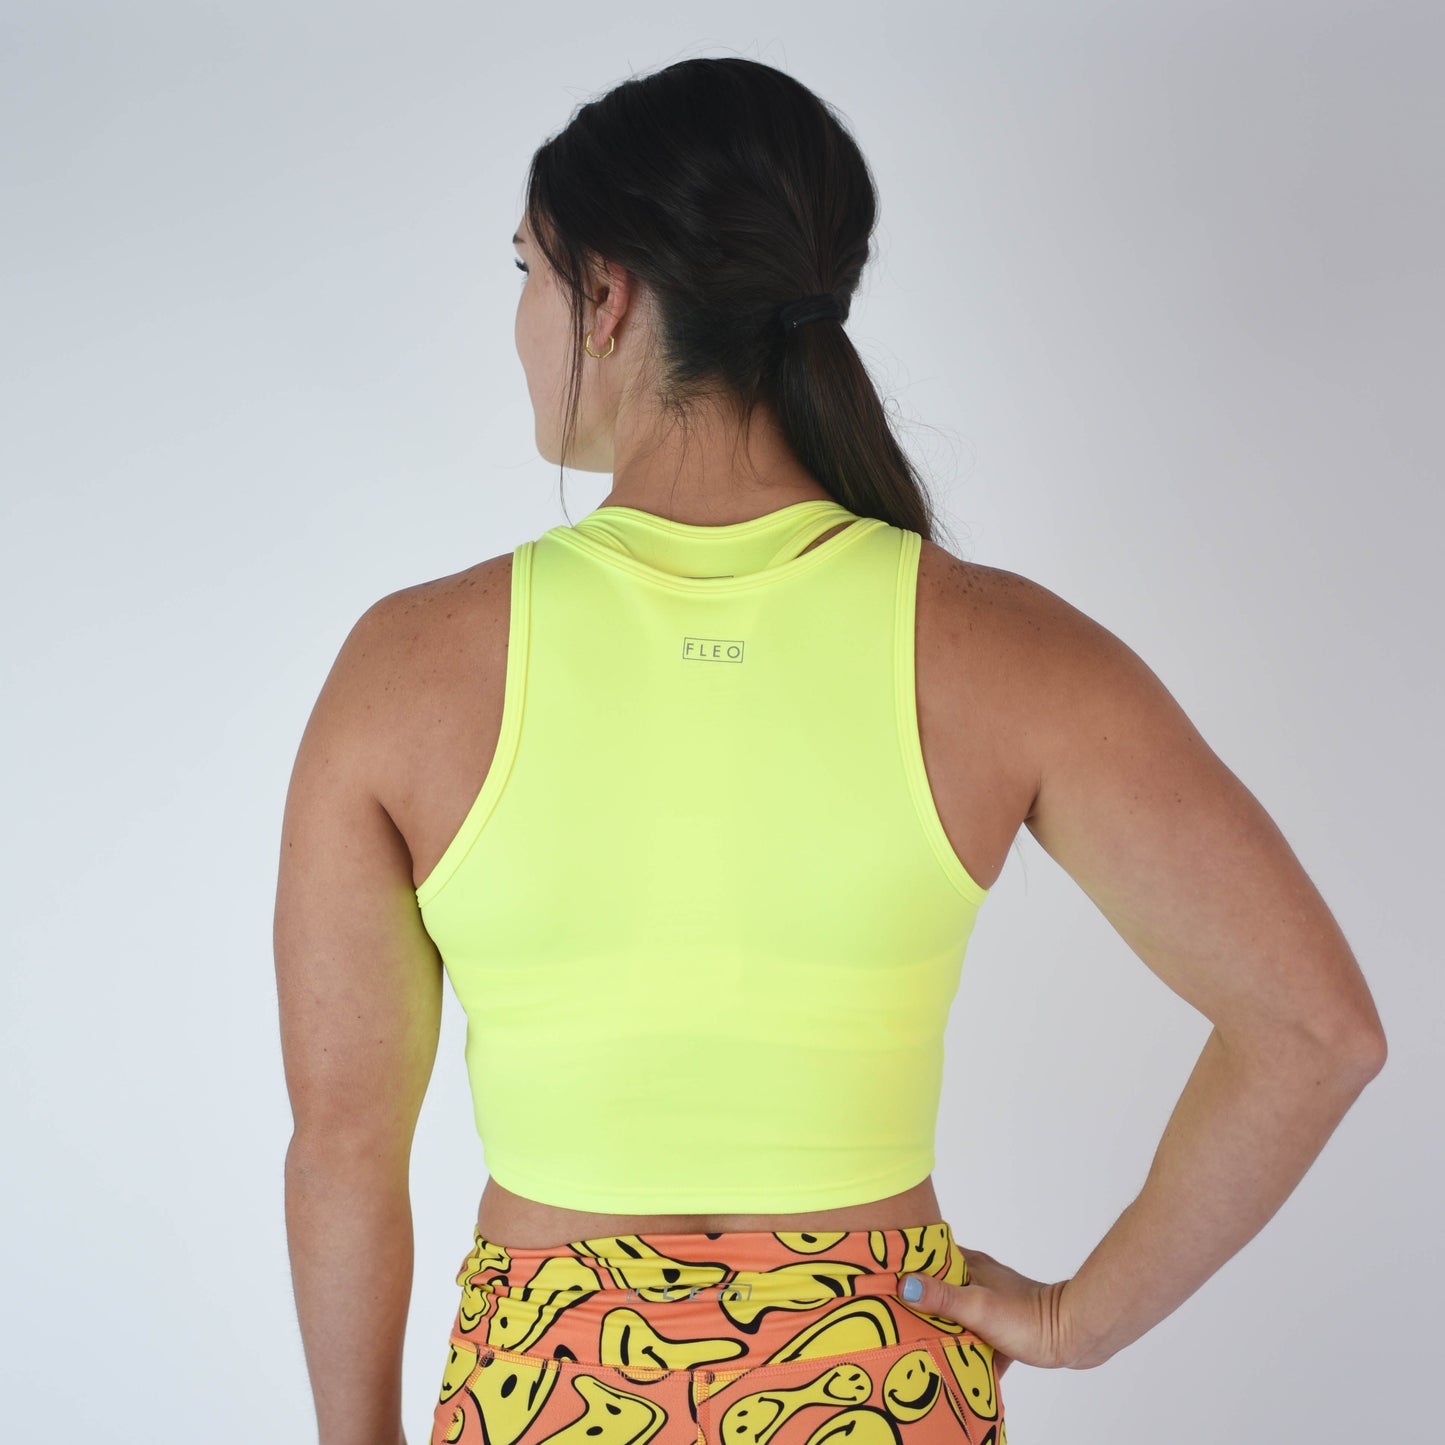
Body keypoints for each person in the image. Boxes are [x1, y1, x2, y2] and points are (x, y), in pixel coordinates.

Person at [272, 57, 1387, 1445]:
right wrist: (1073, 1321)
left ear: (605, 296)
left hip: (548, 1388)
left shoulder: (404, 667)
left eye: (526, 271)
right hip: (876, 1376)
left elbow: (342, 1148)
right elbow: (1314, 1029)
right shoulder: (1004, 649)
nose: (520, 319)